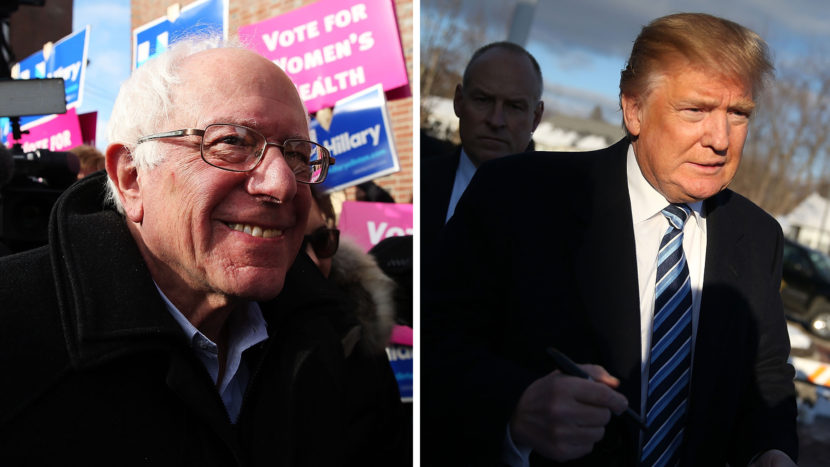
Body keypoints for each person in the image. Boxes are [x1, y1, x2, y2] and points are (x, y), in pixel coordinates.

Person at [0, 36, 403, 466]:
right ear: (131, 177)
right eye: (233, 142)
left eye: (298, 154)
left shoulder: (341, 342)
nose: (283, 184)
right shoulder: (15, 334)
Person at [422, 13, 797, 467]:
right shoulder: (518, 197)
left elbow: (768, 376)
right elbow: (437, 345)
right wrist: (516, 407)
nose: (720, 139)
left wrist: (771, 451)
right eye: (695, 110)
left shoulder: (758, 237)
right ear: (634, 109)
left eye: (738, 114)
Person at [421, 41, 545, 251]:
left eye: (514, 107)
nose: (496, 121)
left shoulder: (558, 208)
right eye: (483, 100)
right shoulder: (422, 182)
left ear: (536, 117)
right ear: (459, 101)